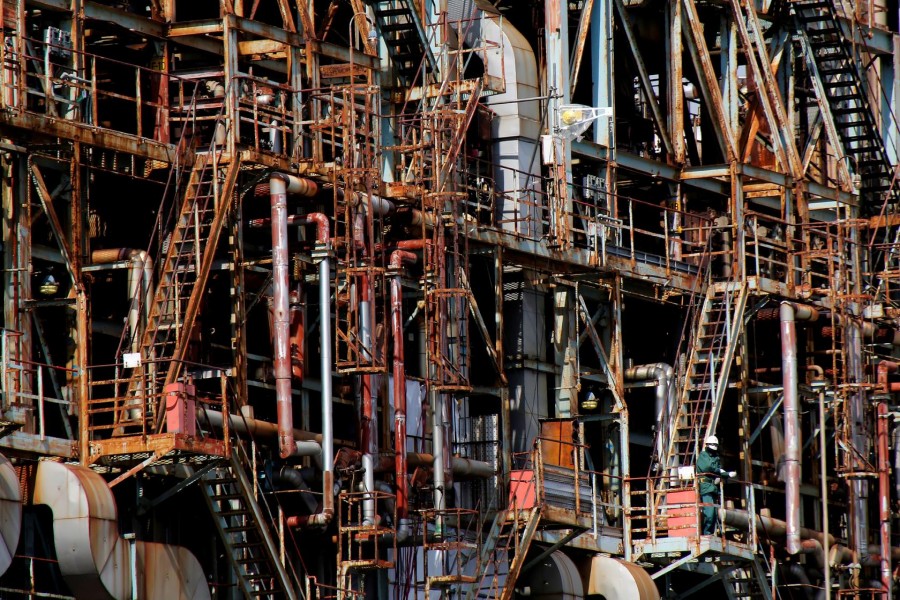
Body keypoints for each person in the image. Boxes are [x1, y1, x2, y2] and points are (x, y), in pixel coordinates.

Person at [696, 435, 736, 535]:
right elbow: (708, 467)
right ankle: (706, 533)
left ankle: (710, 533)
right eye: (712, 445)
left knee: (714, 513)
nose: (713, 448)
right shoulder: (703, 456)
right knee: (709, 513)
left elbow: (717, 468)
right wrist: (724, 473)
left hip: (713, 488)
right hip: (705, 487)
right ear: (708, 445)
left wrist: (722, 473)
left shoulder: (715, 457)